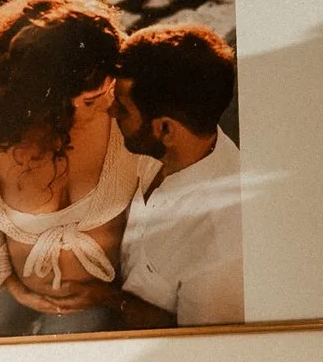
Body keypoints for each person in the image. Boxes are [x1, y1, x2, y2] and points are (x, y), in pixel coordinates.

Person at [0, 0, 140, 338]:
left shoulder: (127, 122)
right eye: (80, 101)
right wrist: (8, 284)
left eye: (100, 94)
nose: (101, 107)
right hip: (9, 287)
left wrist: (115, 299)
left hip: (98, 300)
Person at [101, 24, 245, 329]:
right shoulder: (155, 149)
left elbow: (197, 344)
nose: (110, 111)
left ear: (165, 129)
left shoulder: (220, 246)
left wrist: (103, 298)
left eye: (123, 109)